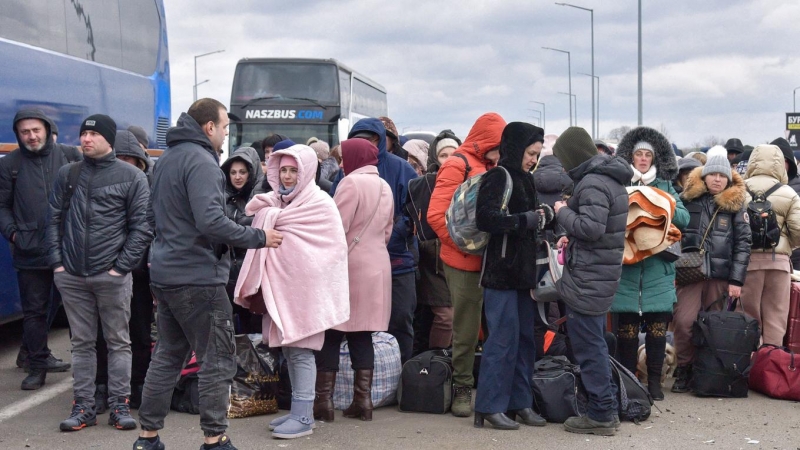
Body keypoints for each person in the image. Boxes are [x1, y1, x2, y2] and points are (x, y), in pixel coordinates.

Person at [135, 99, 271, 450]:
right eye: (224, 126)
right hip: (198, 278)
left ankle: (147, 438)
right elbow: (210, 221)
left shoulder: (166, 161)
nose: (226, 133)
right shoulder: (203, 162)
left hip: (165, 274)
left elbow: (160, 217)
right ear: (209, 126)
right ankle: (215, 439)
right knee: (217, 360)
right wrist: (260, 237)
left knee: (167, 355)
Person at [234, 145, 350, 439]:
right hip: (282, 291)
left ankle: (303, 417)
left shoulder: (320, 204)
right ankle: (300, 412)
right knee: (290, 350)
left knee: (301, 353)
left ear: (307, 171)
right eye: (283, 170)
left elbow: (330, 252)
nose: (287, 176)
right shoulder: (277, 204)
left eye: (293, 170)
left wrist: (271, 219)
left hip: (306, 294)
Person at [46, 114, 152, 432]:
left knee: (119, 341)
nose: (86, 139)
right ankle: (84, 407)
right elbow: (52, 220)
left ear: (108, 139)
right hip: (72, 275)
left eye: (93, 135)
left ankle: (120, 406)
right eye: (83, 134)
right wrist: (58, 264)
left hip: (112, 276)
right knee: (81, 344)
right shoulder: (68, 174)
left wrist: (121, 267)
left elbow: (142, 226)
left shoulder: (132, 177)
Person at [552, 126, 631, 436]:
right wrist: (571, 237)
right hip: (600, 274)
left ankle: (601, 413)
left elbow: (593, 228)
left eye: (562, 159)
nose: (561, 167)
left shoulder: (592, 183)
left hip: (589, 278)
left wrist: (561, 213)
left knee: (589, 347)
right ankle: (605, 407)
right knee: (595, 342)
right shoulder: (608, 179)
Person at [427, 112, 506, 417]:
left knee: (490, 327)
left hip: (489, 259)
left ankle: (484, 385)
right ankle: (462, 386)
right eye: (497, 145)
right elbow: (436, 216)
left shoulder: (490, 166)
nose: (500, 152)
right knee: (466, 327)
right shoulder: (456, 164)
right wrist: (466, 246)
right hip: (463, 262)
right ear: (487, 141)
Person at [473, 122, 550, 430]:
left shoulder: (527, 180)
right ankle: (490, 406)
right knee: (501, 341)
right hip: (501, 274)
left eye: (538, 154)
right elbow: (485, 219)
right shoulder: (497, 176)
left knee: (525, 341)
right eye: (531, 153)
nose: (533, 159)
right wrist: (524, 220)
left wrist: (542, 217)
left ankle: (520, 403)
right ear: (517, 148)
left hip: (523, 274)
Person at [313, 138, 394, 423]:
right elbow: (387, 231)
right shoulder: (384, 185)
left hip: (349, 266)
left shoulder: (349, 183)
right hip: (377, 265)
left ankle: (324, 402)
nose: (343, 163)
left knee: (332, 332)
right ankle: (364, 401)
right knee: (362, 333)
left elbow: (337, 228)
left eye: (345, 157)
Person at [0, 109, 79, 390]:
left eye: (36, 130)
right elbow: (2, 206)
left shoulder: (70, 156)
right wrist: (13, 233)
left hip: (70, 251)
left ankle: (86, 372)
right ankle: (36, 366)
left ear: (47, 129)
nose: (32, 136)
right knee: (35, 312)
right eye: (25, 132)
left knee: (74, 311)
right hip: (29, 252)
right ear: (18, 135)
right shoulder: (9, 164)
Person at [331, 118, 419, 365]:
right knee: (357, 327)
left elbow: (414, 211)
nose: (366, 143)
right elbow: (335, 213)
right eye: (359, 139)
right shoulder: (344, 173)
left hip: (399, 261)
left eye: (371, 138)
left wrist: (394, 235)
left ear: (381, 140)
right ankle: (362, 386)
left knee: (400, 321)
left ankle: (401, 379)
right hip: (356, 264)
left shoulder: (403, 169)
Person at [612, 128, 689, 401]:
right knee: (627, 330)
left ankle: (655, 384)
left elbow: (683, 217)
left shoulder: (667, 186)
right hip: (629, 268)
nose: (643, 159)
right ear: (630, 158)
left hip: (658, 269)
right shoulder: (619, 184)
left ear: (655, 158)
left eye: (647, 155)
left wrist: (656, 203)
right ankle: (630, 383)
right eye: (638, 154)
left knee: (658, 329)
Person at [671, 154, 751, 393]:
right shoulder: (687, 200)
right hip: (690, 273)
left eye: (722, 176)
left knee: (714, 328)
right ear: (705, 176)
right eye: (713, 174)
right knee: (684, 321)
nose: (717, 180)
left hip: (720, 276)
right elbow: (675, 234)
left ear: (728, 179)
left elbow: (743, 244)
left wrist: (736, 280)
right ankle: (684, 367)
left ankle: (706, 371)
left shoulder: (736, 205)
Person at [93, 130, 156, 412]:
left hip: (139, 273)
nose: (126, 166)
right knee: (103, 333)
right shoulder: (97, 187)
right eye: (121, 159)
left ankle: (138, 384)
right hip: (104, 271)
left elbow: (151, 229)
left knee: (139, 331)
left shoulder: (148, 187)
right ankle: (102, 385)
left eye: (132, 161)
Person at [740, 144, 800, 346]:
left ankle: (748, 368)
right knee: (776, 319)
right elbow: (799, 233)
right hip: (779, 265)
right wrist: (785, 247)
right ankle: (770, 367)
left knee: (747, 318)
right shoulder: (789, 193)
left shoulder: (739, 190)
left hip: (747, 264)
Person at [412, 130, 462, 354]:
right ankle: (434, 362)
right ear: (434, 157)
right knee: (446, 315)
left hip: (462, 255)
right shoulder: (421, 185)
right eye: (443, 155)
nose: (449, 161)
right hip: (432, 257)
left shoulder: (469, 182)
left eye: (454, 154)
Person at [220, 146, 267, 334]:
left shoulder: (262, 198)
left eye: (242, 172)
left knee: (254, 332)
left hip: (253, 277)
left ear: (251, 173)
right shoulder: (222, 198)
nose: (237, 177)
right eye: (233, 172)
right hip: (227, 276)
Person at [769, 138, 800, 269]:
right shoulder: (757, 185)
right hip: (766, 252)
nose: (781, 164)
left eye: (785, 161)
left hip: (796, 252)